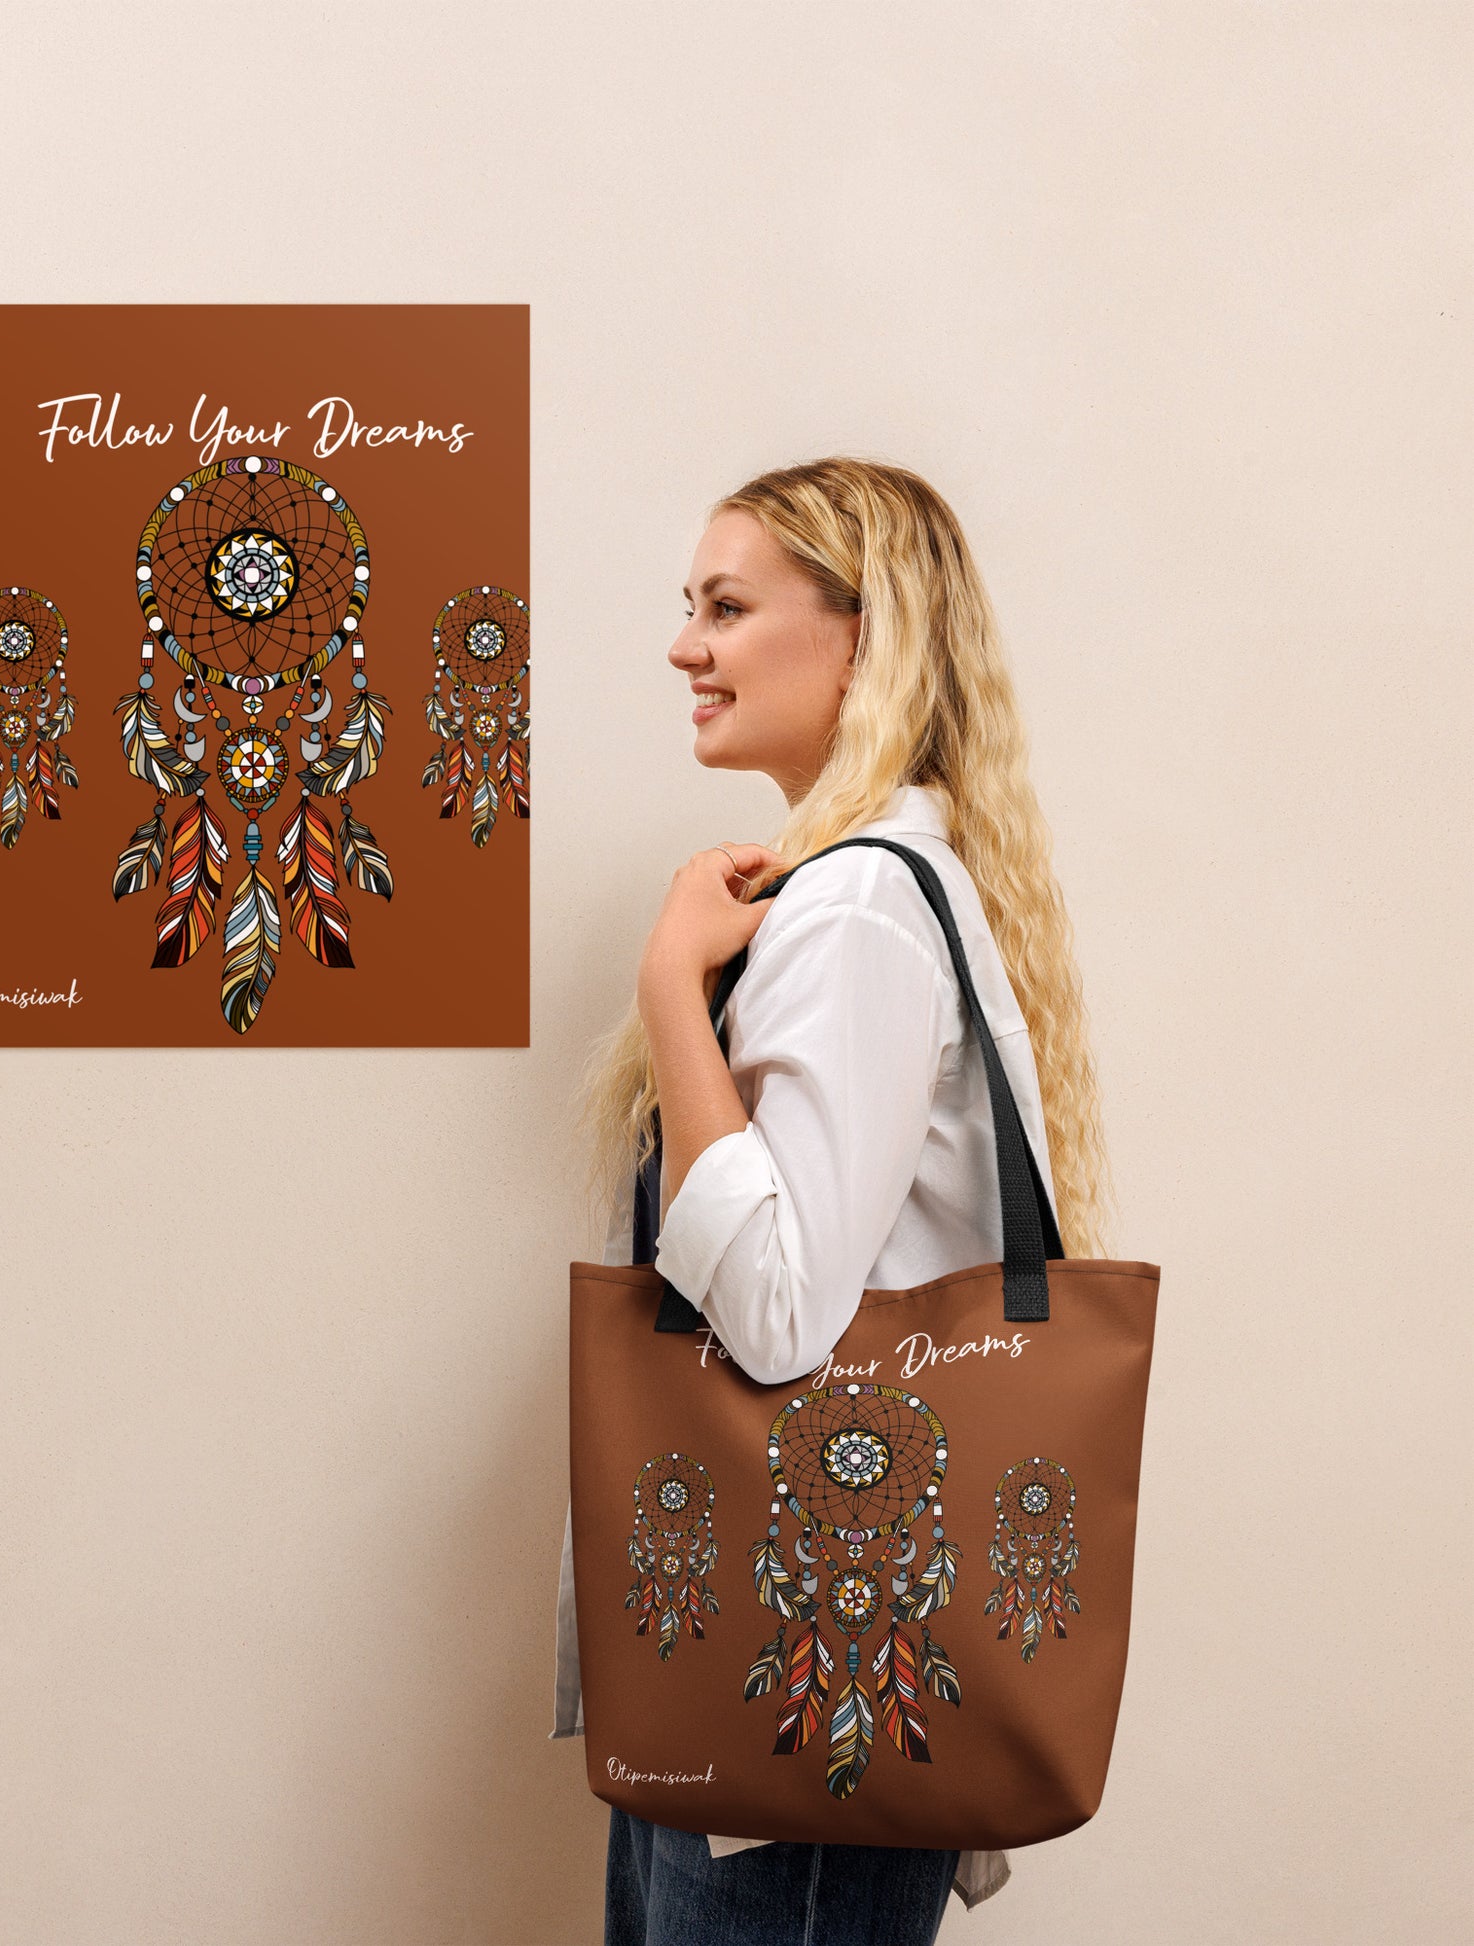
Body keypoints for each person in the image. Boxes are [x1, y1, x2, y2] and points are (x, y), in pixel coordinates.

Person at [552, 457, 1116, 1946]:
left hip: (803, 1702)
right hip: (792, 1677)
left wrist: (670, 987)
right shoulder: (864, 885)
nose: (683, 646)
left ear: (864, 635)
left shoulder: (856, 903)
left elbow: (780, 1317)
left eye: (725, 608)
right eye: (690, 608)